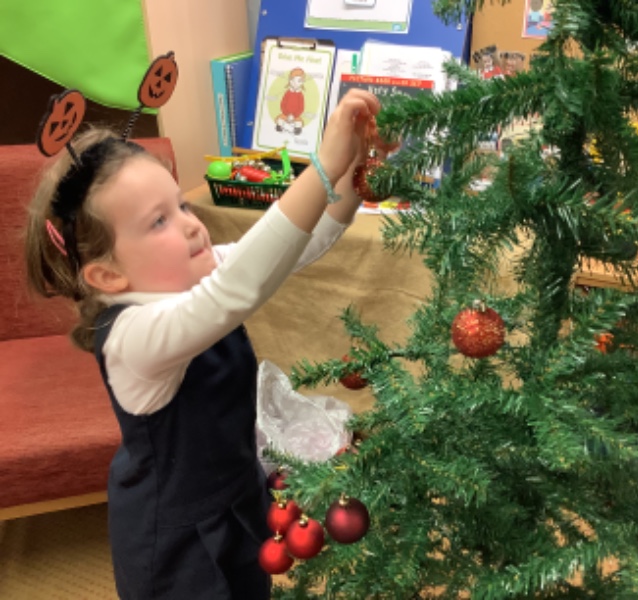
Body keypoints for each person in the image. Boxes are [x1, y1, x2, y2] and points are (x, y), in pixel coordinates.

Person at [25, 88, 382, 599]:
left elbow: (293, 249)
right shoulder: (132, 337)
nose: (192, 226)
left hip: (237, 498)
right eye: (159, 221)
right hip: (176, 540)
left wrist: (353, 169)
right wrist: (321, 168)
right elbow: (237, 289)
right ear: (107, 275)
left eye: (181, 204)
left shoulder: (195, 274)